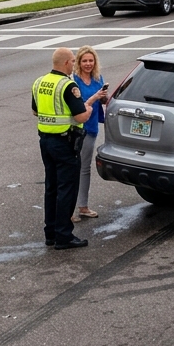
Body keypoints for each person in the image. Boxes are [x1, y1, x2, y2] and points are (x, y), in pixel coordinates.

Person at [31, 47, 106, 250]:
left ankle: (51, 232)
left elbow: (35, 111)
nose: (74, 64)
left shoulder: (39, 82)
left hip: (45, 141)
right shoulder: (67, 85)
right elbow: (81, 115)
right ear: (65, 63)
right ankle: (64, 235)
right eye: (73, 61)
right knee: (67, 189)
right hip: (65, 143)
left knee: (51, 188)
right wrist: (89, 109)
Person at [72, 46, 108, 222]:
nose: (88, 64)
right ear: (79, 62)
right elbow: (78, 106)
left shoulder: (97, 78)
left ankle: (83, 206)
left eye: (91, 61)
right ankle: (69, 210)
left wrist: (104, 97)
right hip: (77, 129)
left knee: (85, 168)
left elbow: (102, 101)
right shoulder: (74, 81)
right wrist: (94, 97)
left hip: (92, 127)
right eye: (84, 61)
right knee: (72, 167)